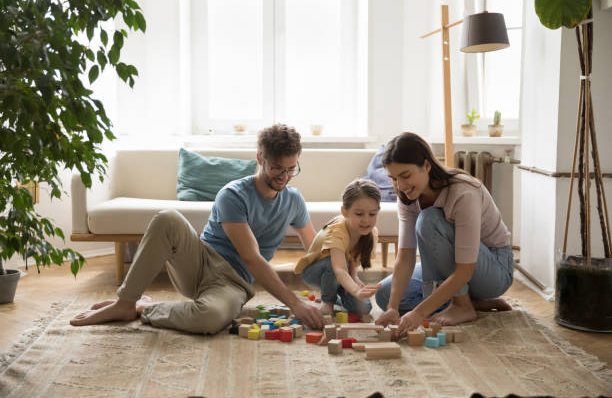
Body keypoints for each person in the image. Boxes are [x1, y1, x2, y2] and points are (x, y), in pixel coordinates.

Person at [70, 124, 325, 333]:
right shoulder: (233, 195)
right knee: (167, 218)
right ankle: (126, 302)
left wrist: (339, 283)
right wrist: (295, 303)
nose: (284, 176)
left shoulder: (293, 200)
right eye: (277, 168)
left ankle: (143, 308)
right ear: (260, 159)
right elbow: (252, 258)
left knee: (210, 318)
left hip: (233, 283)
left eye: (291, 169)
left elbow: (314, 251)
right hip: (199, 263)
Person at [375, 132, 513, 336]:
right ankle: (471, 301)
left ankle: (462, 305)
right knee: (384, 294)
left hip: (493, 268)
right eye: (393, 179)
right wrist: (393, 308)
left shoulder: (463, 193)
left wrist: (419, 314)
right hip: (459, 268)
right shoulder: (406, 195)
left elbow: (465, 270)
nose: (401, 186)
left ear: (427, 166)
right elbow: (405, 258)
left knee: (429, 219)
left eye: (405, 176)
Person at [295, 179, 382, 320]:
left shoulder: (371, 233)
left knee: (364, 308)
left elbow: (353, 259)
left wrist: (354, 278)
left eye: (372, 214)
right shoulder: (337, 231)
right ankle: (327, 300)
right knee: (334, 264)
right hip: (316, 272)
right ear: (344, 212)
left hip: (341, 274)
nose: (366, 220)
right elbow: (339, 269)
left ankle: (334, 295)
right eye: (359, 214)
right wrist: (354, 289)